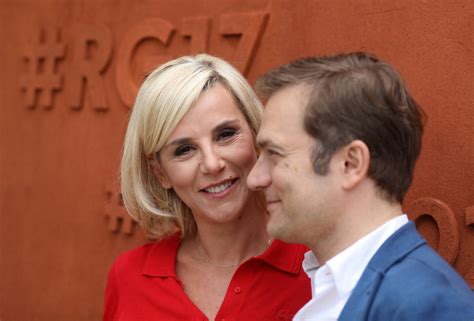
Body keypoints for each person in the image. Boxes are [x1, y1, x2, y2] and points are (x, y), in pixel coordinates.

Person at [247, 52, 474, 321]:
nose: (254, 179)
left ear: (350, 164)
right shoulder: (335, 289)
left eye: (274, 154)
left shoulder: (427, 307)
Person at [102, 54, 311, 321]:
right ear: (160, 172)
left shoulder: (317, 262)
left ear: (256, 134)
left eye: (225, 135)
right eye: (184, 150)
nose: (212, 164)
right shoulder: (129, 276)